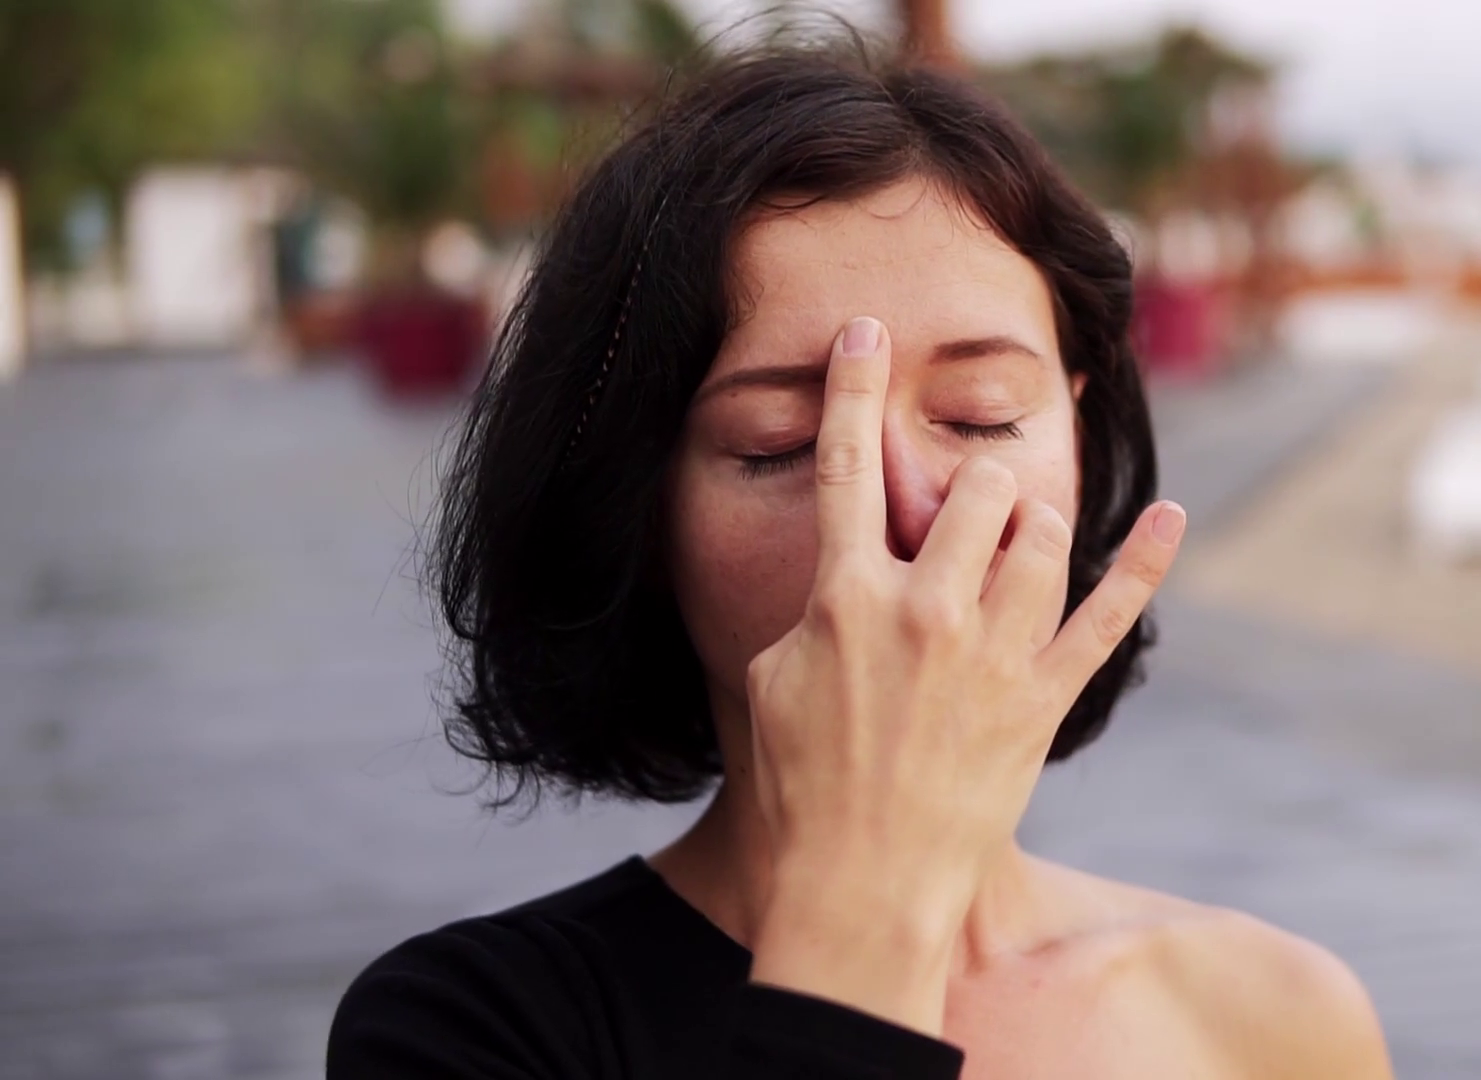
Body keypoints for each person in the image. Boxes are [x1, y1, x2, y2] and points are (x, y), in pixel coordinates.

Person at [328, 39, 1393, 1080]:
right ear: (640, 512)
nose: (905, 511)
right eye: (782, 443)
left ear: (1079, 431)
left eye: (980, 416)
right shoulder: (475, 1029)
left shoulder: (1272, 1016)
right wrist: (872, 902)